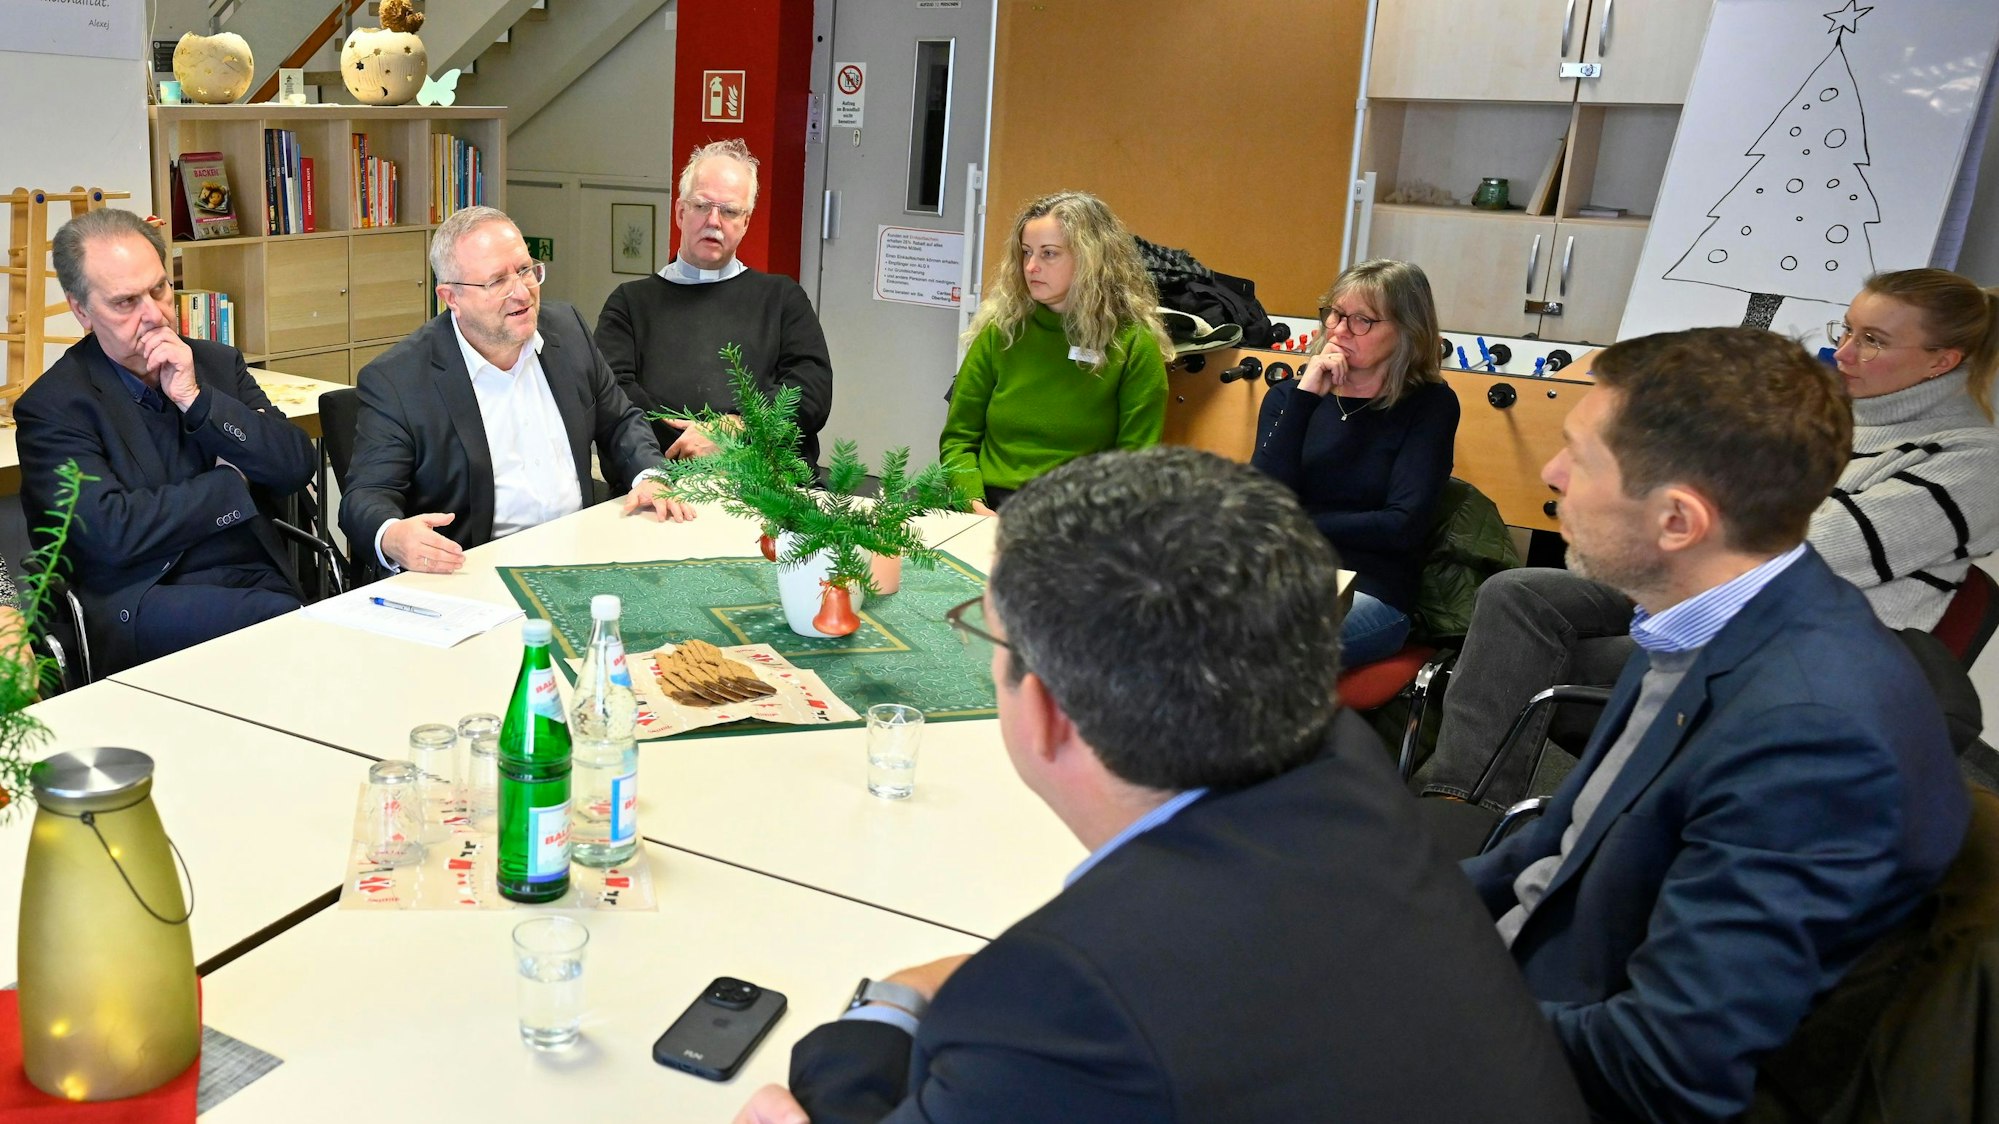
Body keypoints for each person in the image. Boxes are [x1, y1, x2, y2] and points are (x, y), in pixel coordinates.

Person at [735, 447, 1589, 1124]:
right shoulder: (1345, 766)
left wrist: (882, 1012)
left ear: (1047, 710)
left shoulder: (1063, 1003)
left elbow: (1053, 1019)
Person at [1459, 326, 1970, 1124]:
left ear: (1677, 521)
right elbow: (1555, 848)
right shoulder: (1699, 615)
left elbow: (1662, 1067)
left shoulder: (1813, 739)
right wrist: (1399, 909)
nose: (1552, 475)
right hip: (1515, 986)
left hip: (1552, 1061)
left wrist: (1424, 1013)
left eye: (1579, 458)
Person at [1422, 268, 1999, 808]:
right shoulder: (1838, 419)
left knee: (1547, 664)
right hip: (1704, 591)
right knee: (1516, 594)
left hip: (1785, 644)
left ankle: (1492, 811)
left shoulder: (1973, 458)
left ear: (1941, 361)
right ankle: (1462, 802)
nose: (1844, 353)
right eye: (1846, 330)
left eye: (1873, 341)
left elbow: (1807, 553)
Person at [16, 207, 315, 673]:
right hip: (144, 595)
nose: (154, 315)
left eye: (159, 289)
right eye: (125, 302)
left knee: (316, 625)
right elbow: (111, 533)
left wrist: (196, 399)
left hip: (253, 573)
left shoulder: (215, 364)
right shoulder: (54, 406)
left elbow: (294, 465)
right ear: (82, 311)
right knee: (283, 627)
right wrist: (232, 485)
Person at [340, 205, 691, 577]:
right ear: (451, 297)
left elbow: (620, 420)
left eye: (525, 270)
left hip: (581, 553)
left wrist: (649, 475)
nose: (522, 292)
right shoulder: (399, 380)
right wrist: (392, 535)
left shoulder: (567, 330)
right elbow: (365, 496)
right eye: (496, 282)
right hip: (474, 572)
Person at [1250, 258, 1460, 664]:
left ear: (1406, 331)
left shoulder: (1430, 405)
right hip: (1278, 575)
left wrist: (1295, 524)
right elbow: (1259, 505)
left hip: (1370, 586)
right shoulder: (1289, 398)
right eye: (1335, 313)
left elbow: (1402, 526)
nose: (1340, 330)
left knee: (1259, 647)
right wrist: (1305, 398)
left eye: (1362, 320)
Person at [594, 139, 833, 468]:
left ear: (745, 222)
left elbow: (812, 390)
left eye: (730, 211)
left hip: (766, 482)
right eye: (703, 206)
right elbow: (613, 396)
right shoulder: (629, 304)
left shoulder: (782, 299)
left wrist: (733, 431)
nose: (714, 221)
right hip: (665, 476)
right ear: (681, 212)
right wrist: (688, 446)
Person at [938, 191, 1170, 513]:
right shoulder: (1001, 331)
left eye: (1049, 253)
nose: (1031, 266)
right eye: (1026, 252)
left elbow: (1135, 465)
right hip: (988, 505)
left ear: (1090, 258)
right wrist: (973, 505)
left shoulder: (1132, 344)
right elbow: (958, 441)